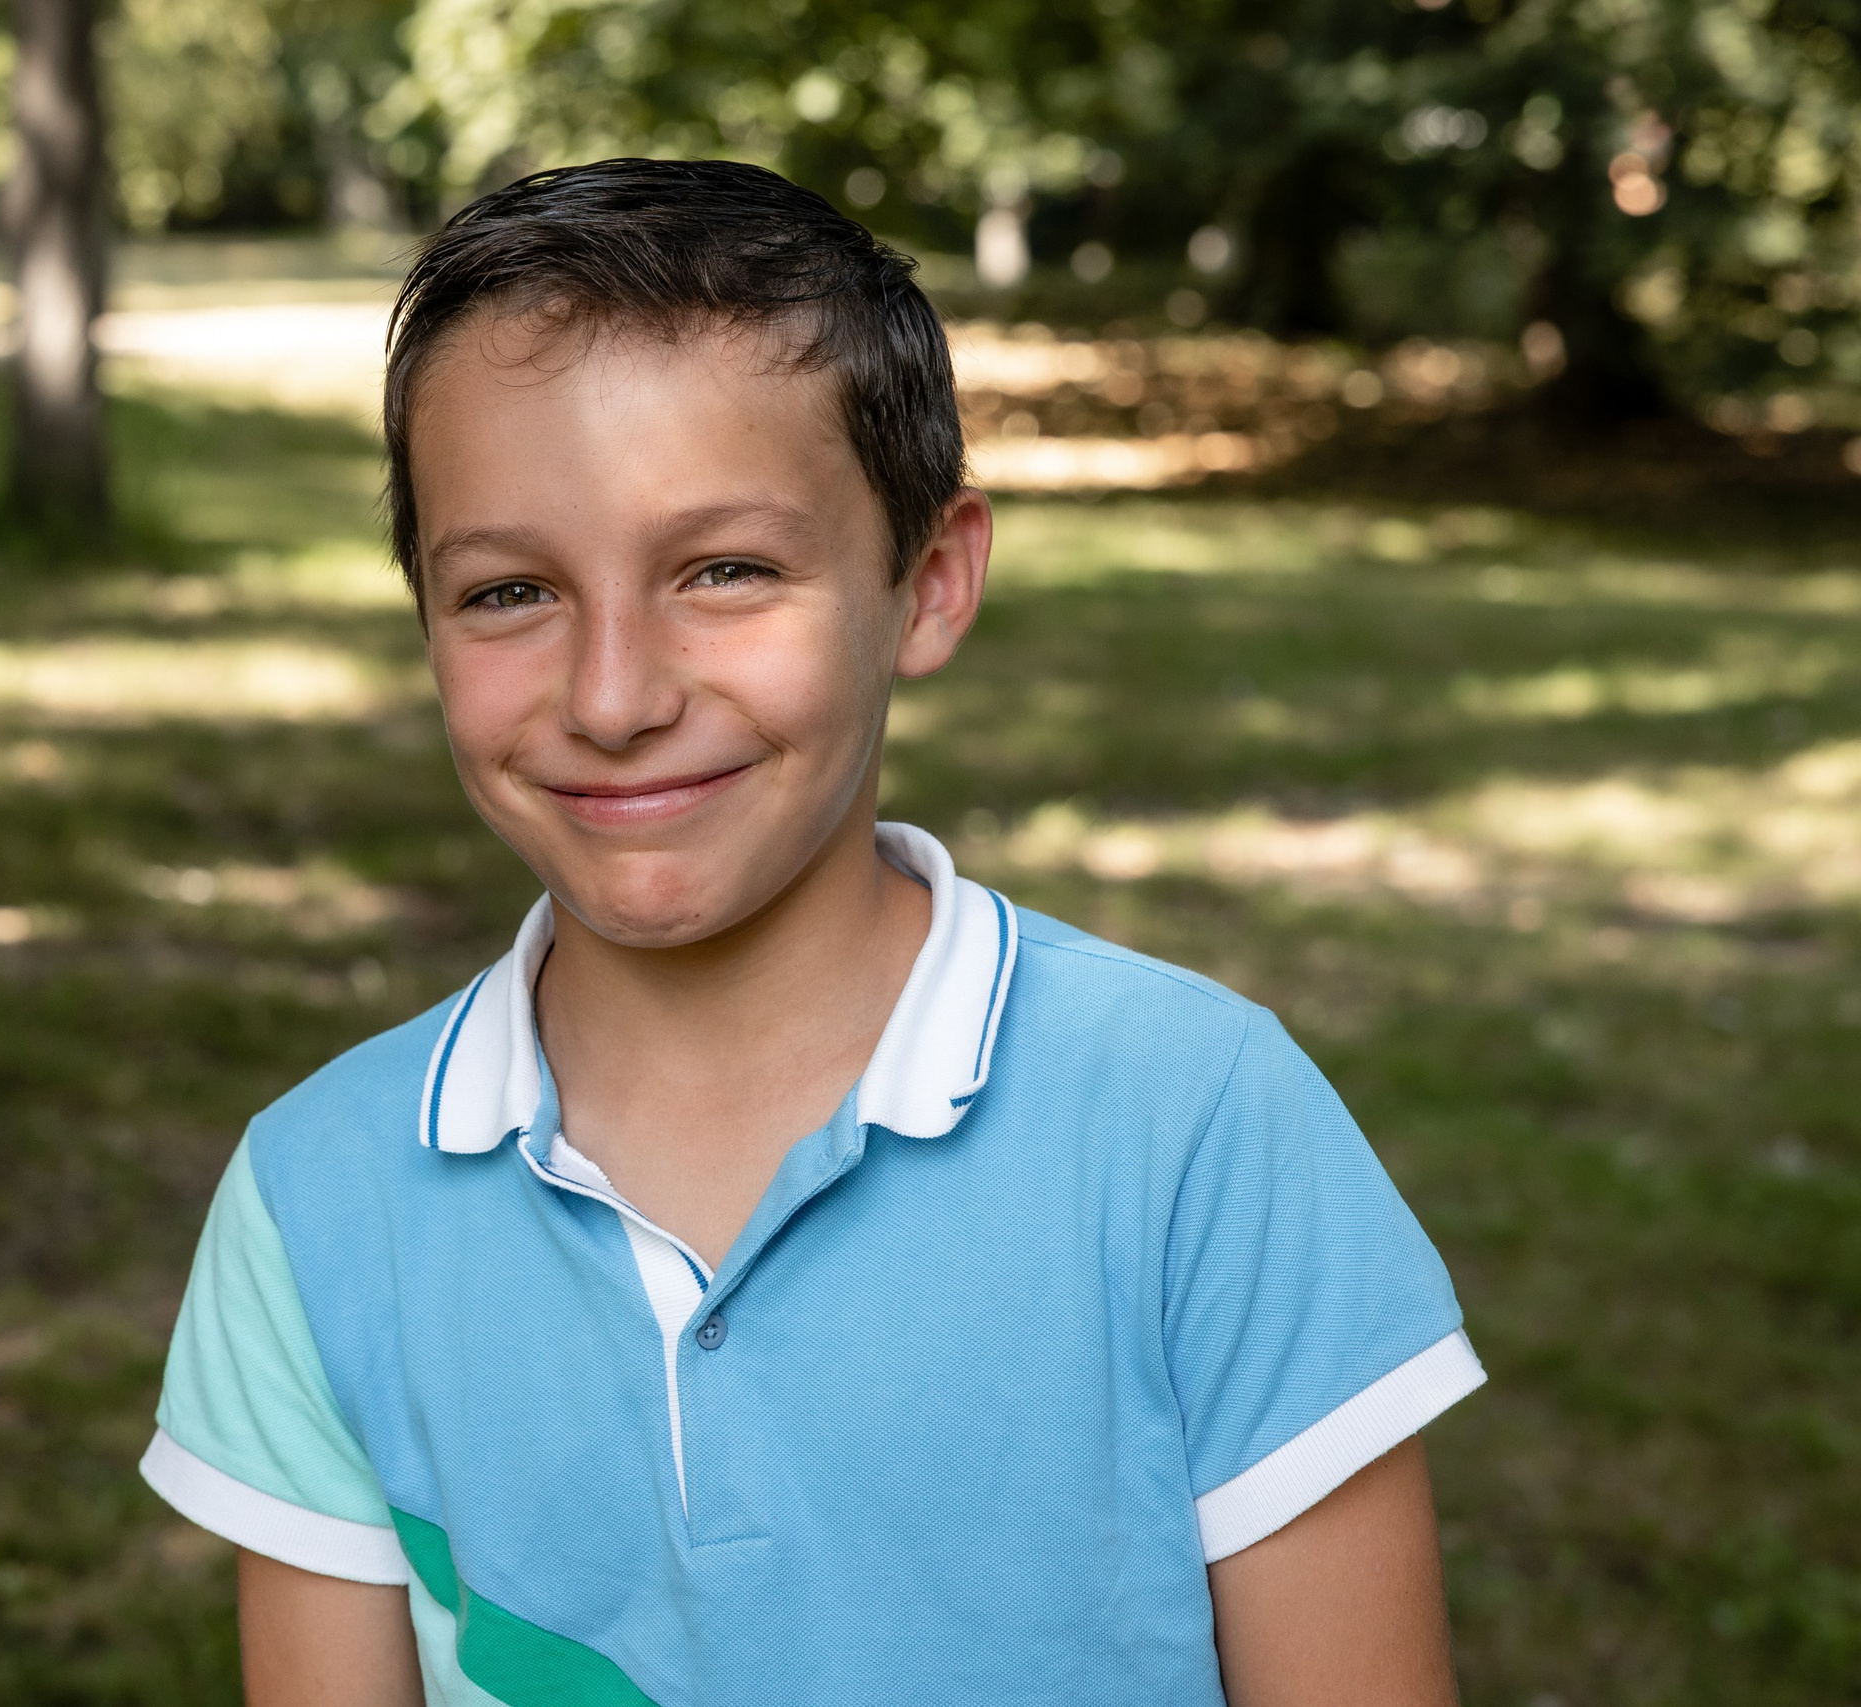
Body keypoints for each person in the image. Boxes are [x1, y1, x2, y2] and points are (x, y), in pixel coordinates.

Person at [141, 158, 1482, 1707]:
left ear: (926, 585)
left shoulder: (1195, 1127)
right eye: (511, 592)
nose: (615, 696)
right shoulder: (318, 1204)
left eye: (726, 571)